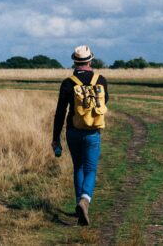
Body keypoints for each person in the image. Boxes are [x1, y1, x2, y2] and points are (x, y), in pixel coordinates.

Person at [52, 45, 109, 226]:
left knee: (78, 167)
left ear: (74, 62)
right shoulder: (101, 80)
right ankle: (85, 200)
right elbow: (104, 102)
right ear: (90, 60)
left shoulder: (68, 83)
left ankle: (79, 204)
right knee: (90, 168)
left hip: (73, 131)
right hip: (93, 131)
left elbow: (60, 112)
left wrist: (55, 138)